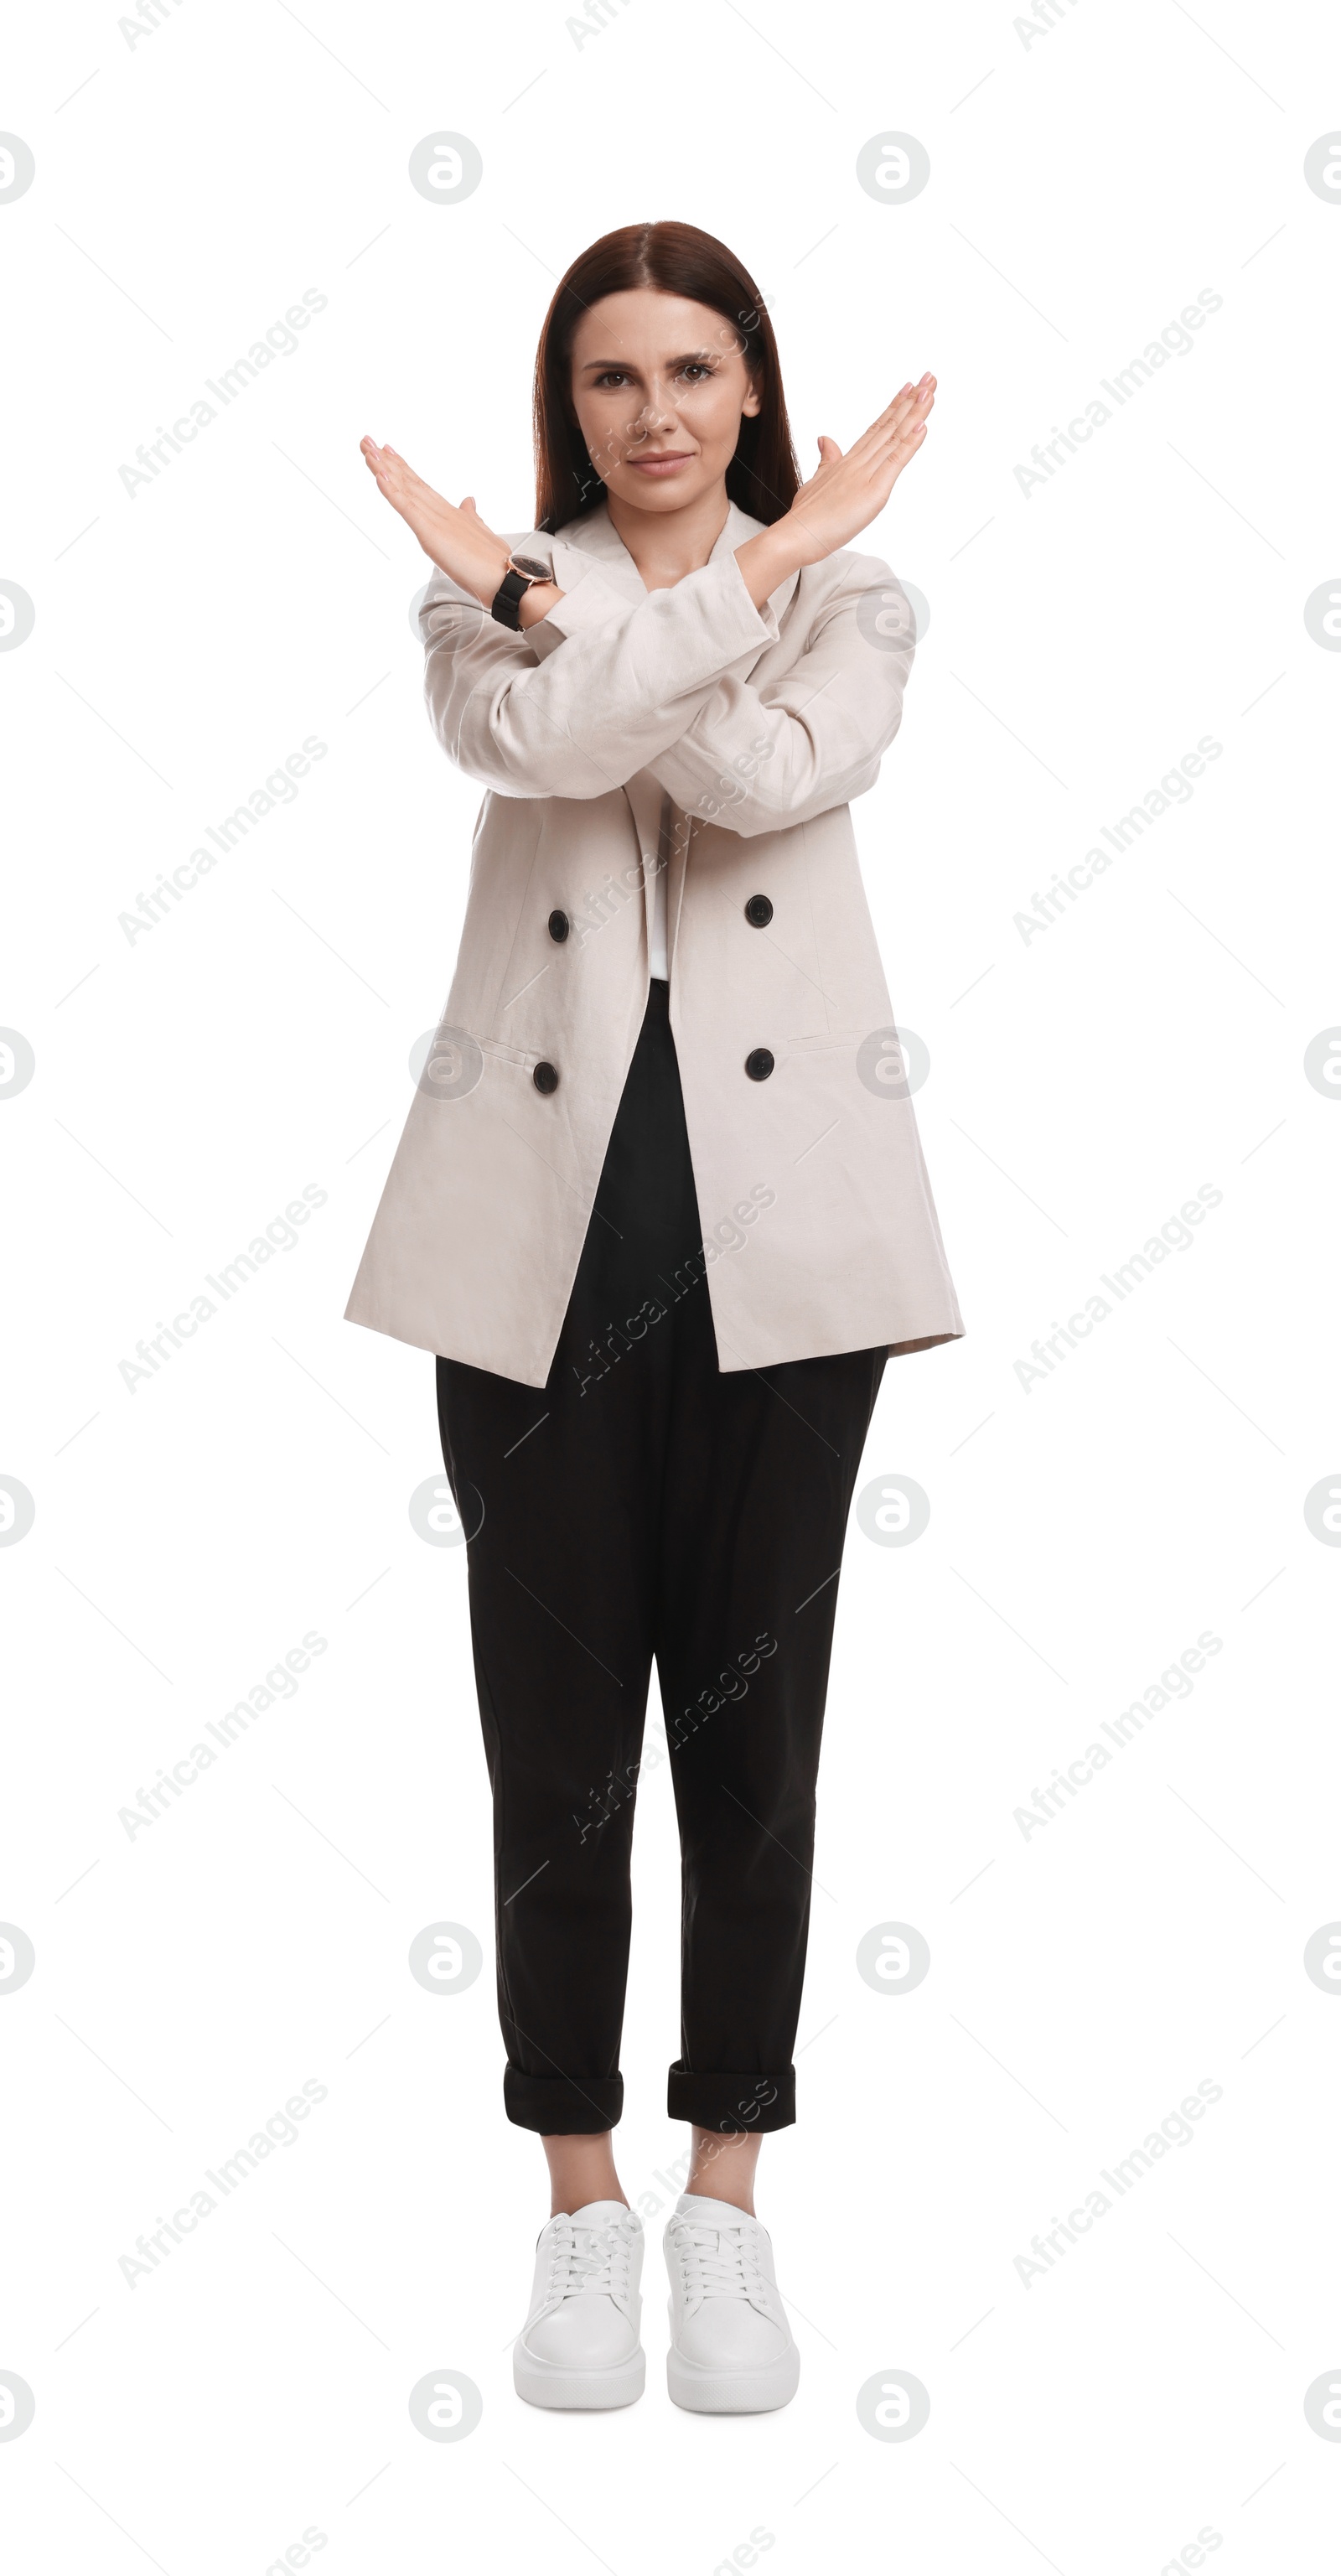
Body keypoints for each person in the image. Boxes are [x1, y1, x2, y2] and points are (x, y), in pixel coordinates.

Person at [346, 220, 963, 2414]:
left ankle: (729, 2196)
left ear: (754, 380)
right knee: (554, 1732)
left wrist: (615, 610)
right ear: (569, 399)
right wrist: (610, 594)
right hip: (542, 1215)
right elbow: (536, 748)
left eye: (697, 367)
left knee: (757, 1719)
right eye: (613, 376)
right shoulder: (481, 601)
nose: (659, 413)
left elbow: (756, 781)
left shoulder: (859, 597)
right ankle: (578, 2206)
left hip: (784, 1218)